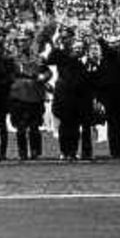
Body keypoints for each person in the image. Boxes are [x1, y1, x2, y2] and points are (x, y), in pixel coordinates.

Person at [42, 30, 92, 160]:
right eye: (62, 38)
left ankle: (73, 151)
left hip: (78, 95)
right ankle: (64, 151)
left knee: (75, 126)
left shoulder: (78, 53)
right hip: (64, 94)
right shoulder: (60, 52)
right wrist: (55, 45)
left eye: (66, 38)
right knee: (64, 125)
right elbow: (49, 60)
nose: (64, 40)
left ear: (72, 38)